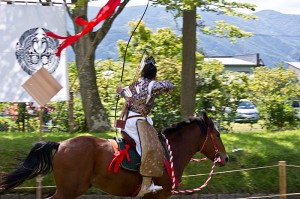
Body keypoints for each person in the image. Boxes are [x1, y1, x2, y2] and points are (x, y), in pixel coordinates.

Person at [116, 56, 173, 196]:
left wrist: (120, 90)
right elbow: (170, 86)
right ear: (154, 74)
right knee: (151, 149)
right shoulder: (151, 85)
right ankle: (146, 184)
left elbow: (124, 93)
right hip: (137, 124)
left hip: (128, 121)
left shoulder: (134, 84)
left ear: (142, 72)